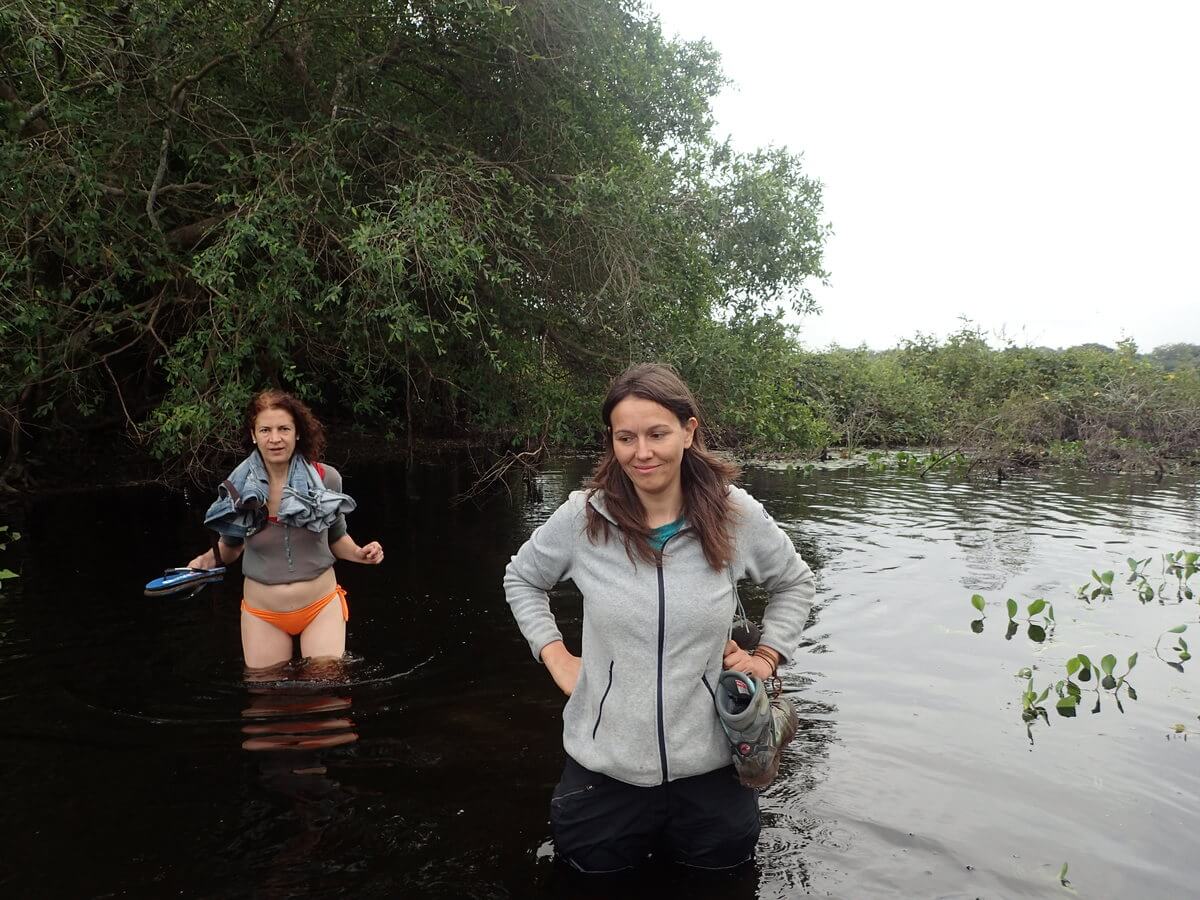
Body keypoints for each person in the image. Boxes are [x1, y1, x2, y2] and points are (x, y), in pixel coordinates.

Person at [503, 363, 815, 873]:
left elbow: (794, 582)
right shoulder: (583, 518)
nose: (641, 452)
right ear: (612, 441)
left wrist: (767, 656)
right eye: (626, 437)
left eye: (657, 434)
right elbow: (522, 578)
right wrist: (556, 655)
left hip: (713, 775)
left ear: (689, 432)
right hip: (602, 775)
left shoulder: (734, 514)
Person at [186, 389, 384, 669]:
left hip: (320, 606)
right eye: (265, 429)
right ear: (254, 435)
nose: (275, 438)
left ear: (297, 433)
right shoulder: (238, 488)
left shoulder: (326, 479)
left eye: (284, 429)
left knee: (327, 690)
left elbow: (337, 538)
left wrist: (361, 553)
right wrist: (204, 562)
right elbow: (231, 546)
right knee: (266, 697)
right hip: (262, 613)